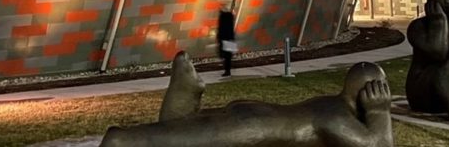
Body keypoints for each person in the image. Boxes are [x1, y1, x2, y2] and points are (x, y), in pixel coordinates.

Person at [100, 58, 394, 147]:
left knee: (184, 135)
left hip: (256, 116)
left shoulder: (331, 105)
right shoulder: (337, 116)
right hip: (255, 129)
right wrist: (380, 111)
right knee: (168, 141)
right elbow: (377, 146)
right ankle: (120, 139)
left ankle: (185, 94)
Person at [217, 3, 236, 76]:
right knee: (228, 56)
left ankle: (227, 71)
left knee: (226, 56)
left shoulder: (223, 16)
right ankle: (228, 70)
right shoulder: (230, 16)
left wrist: (219, 38)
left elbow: (221, 29)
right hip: (230, 38)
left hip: (225, 38)